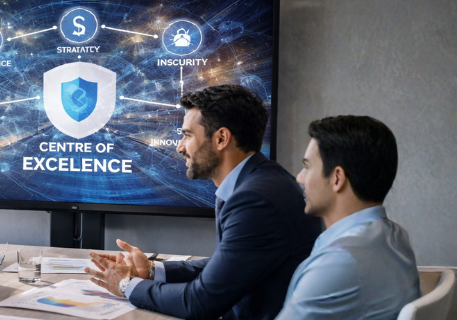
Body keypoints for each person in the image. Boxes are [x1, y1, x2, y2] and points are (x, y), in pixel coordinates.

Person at [85, 84, 322, 319]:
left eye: (187, 135)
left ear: (221, 138)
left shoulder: (255, 199)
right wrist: (151, 270)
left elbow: (198, 302)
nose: (179, 148)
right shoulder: (262, 180)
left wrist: (127, 286)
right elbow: (228, 265)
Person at [276, 116, 419, 319]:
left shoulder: (337, 262)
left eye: (307, 167)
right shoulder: (396, 237)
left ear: (337, 178)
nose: (299, 178)